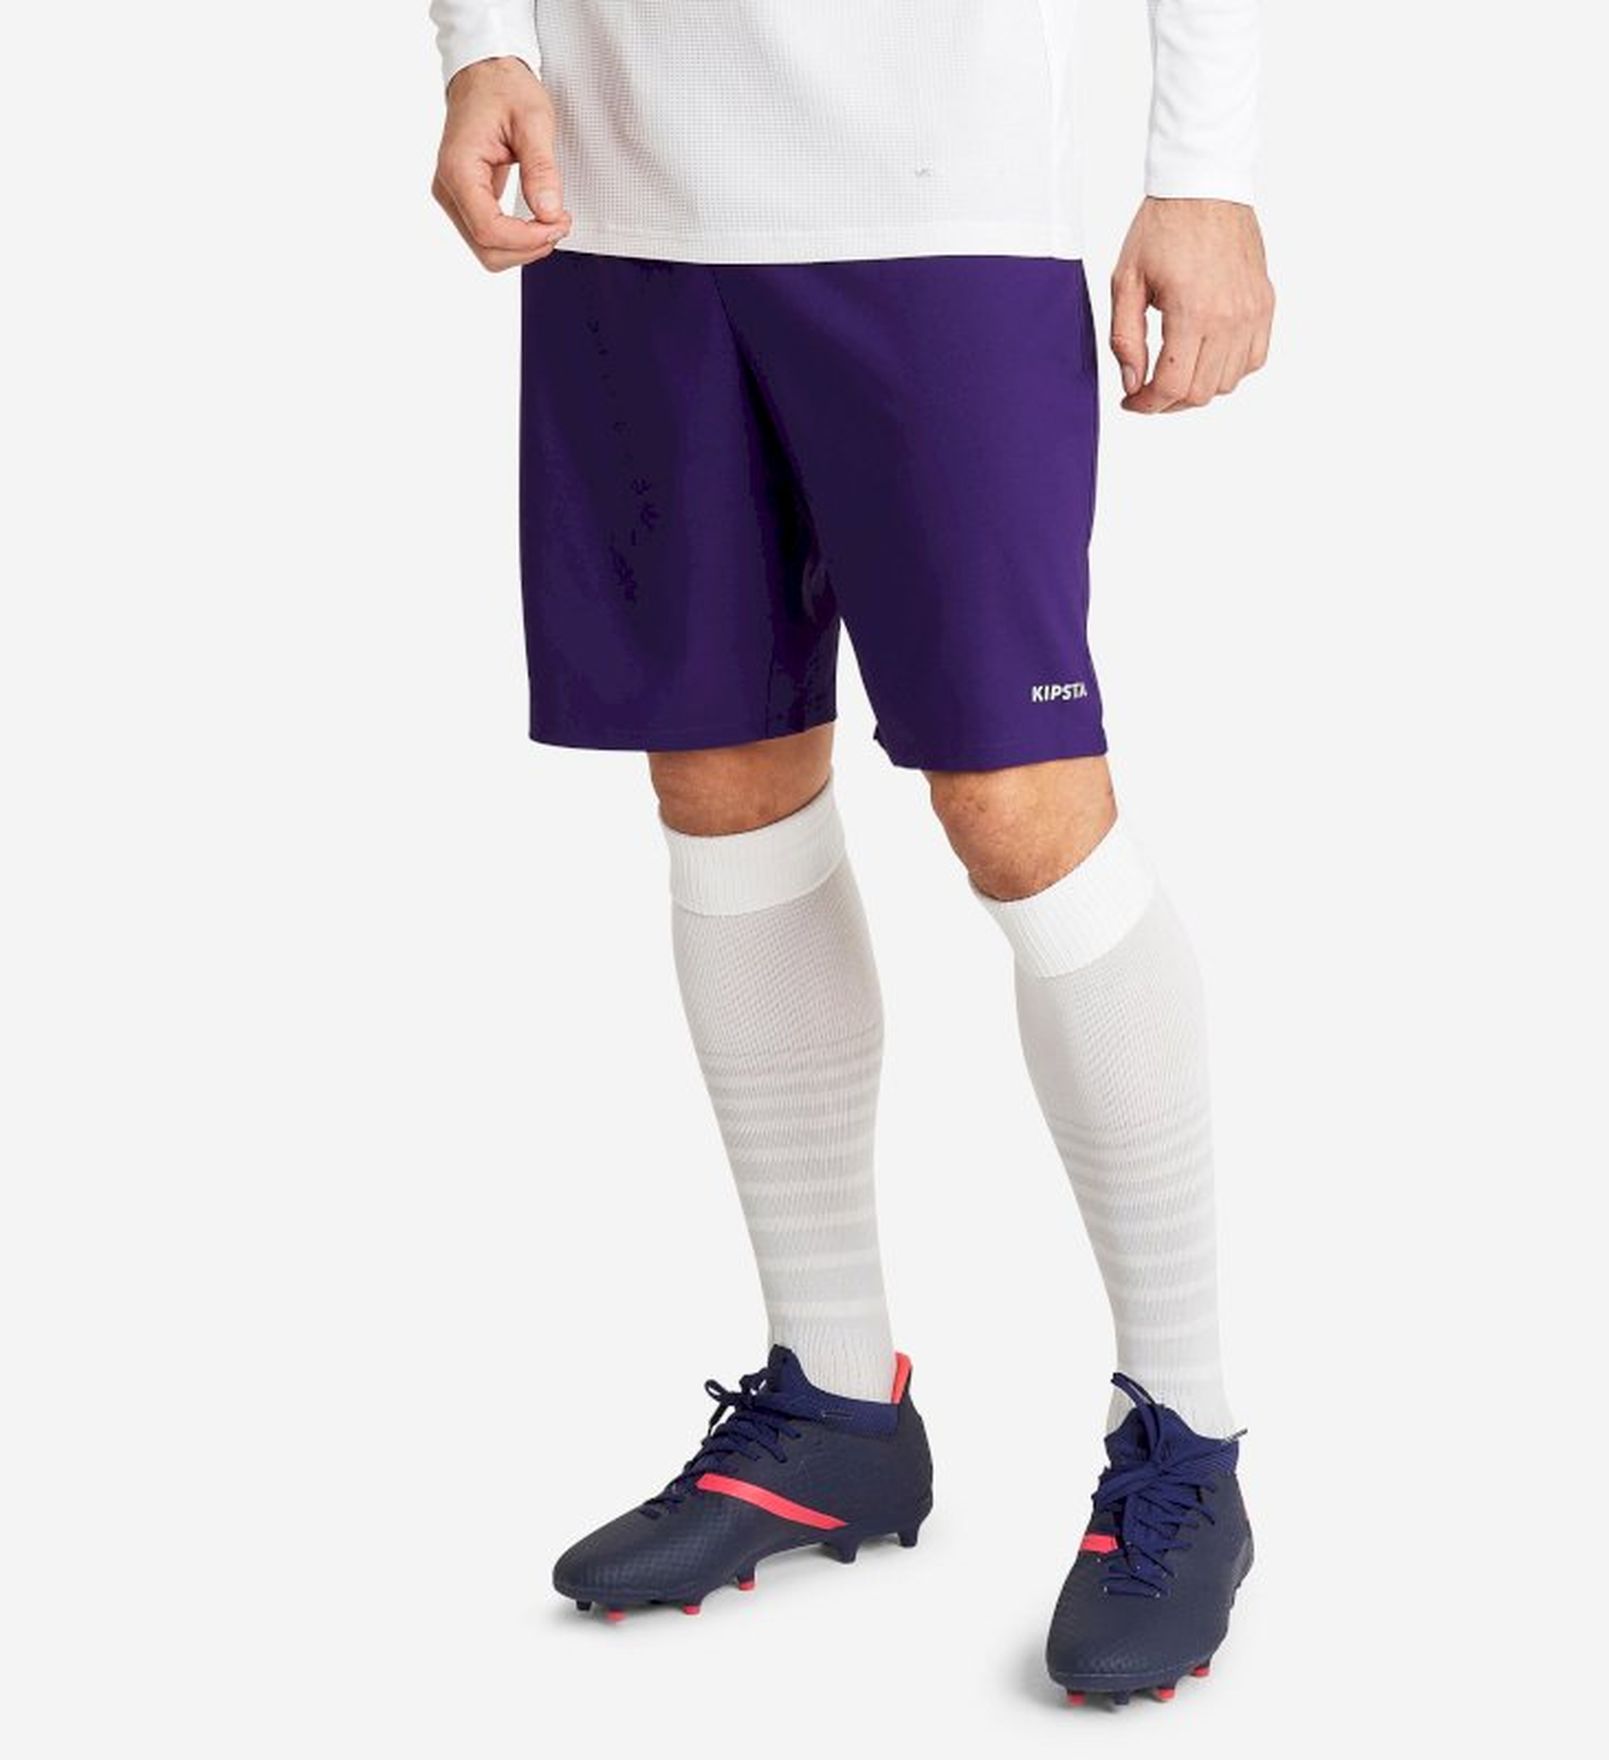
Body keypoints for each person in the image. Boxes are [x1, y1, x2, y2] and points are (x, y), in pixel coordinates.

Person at [428, 0, 1272, 1707]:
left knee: (1021, 808)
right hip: (628, 200)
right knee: (722, 784)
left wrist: (1204, 167)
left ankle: (1187, 1429)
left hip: (944, 199)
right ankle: (833, 1403)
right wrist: (478, 44)